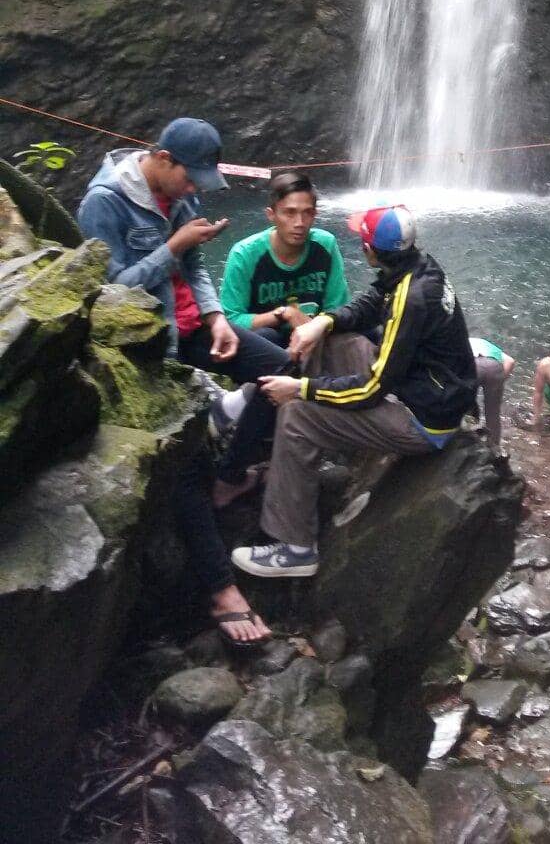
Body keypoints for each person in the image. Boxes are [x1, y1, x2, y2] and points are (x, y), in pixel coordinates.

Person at [77, 117, 290, 646]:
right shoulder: (104, 203)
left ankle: (232, 474)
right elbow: (111, 292)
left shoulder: (180, 196)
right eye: (190, 178)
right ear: (163, 159)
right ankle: (221, 589)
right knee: (185, 460)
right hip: (151, 341)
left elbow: (196, 270)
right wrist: (171, 246)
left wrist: (218, 319)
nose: (195, 189)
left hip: (195, 327)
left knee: (284, 367)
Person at [231, 204, 480, 579]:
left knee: (297, 415)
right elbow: (372, 301)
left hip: (423, 418)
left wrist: (302, 389)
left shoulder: (411, 300)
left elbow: (370, 389)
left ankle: (296, 548)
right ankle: (261, 407)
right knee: (331, 339)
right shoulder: (418, 267)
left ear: (369, 251)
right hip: (422, 387)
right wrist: (323, 322)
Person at [220, 169, 349, 347]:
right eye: (290, 213)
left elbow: (338, 308)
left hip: (314, 336)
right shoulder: (244, 254)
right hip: (266, 344)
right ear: (271, 215)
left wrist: (317, 327)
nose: (299, 223)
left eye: (307, 213)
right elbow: (231, 319)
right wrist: (284, 314)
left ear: (315, 215)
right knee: (266, 336)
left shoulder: (325, 245)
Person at [469, 335, 516, 447]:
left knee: (465, 404)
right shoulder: (486, 344)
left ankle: (469, 440)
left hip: (474, 366)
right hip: (495, 367)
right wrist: (499, 381)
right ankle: (494, 447)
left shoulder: (458, 343)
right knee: (493, 413)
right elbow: (510, 361)